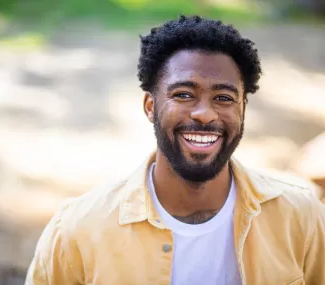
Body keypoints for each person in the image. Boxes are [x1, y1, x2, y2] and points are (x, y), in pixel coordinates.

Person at [25, 15, 325, 285]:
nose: (205, 114)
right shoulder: (78, 228)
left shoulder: (302, 218)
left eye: (223, 97)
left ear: (243, 108)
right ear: (150, 106)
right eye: (183, 94)